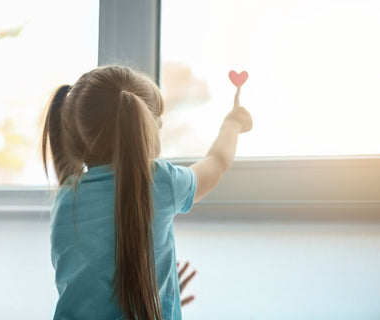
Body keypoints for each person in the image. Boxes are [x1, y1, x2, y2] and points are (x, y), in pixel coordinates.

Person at [41, 65, 252, 320]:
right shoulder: (161, 181)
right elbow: (217, 163)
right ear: (145, 130)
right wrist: (232, 125)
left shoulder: (66, 198)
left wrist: (157, 290)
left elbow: (93, 286)